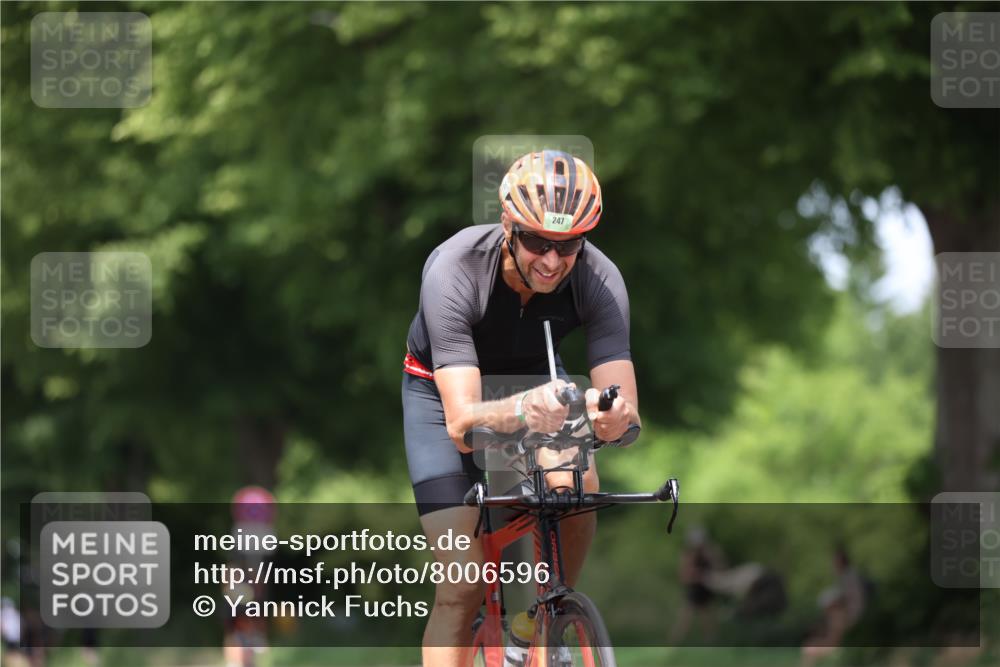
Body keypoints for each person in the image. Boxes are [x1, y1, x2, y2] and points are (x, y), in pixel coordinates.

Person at [403, 150, 639, 666]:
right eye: (537, 242)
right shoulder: (455, 269)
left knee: (578, 488)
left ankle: (541, 620)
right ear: (508, 225)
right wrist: (527, 408)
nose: (552, 262)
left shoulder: (600, 280)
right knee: (461, 584)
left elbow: (624, 412)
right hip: (442, 395)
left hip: (533, 383)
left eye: (568, 245)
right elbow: (463, 423)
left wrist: (612, 420)